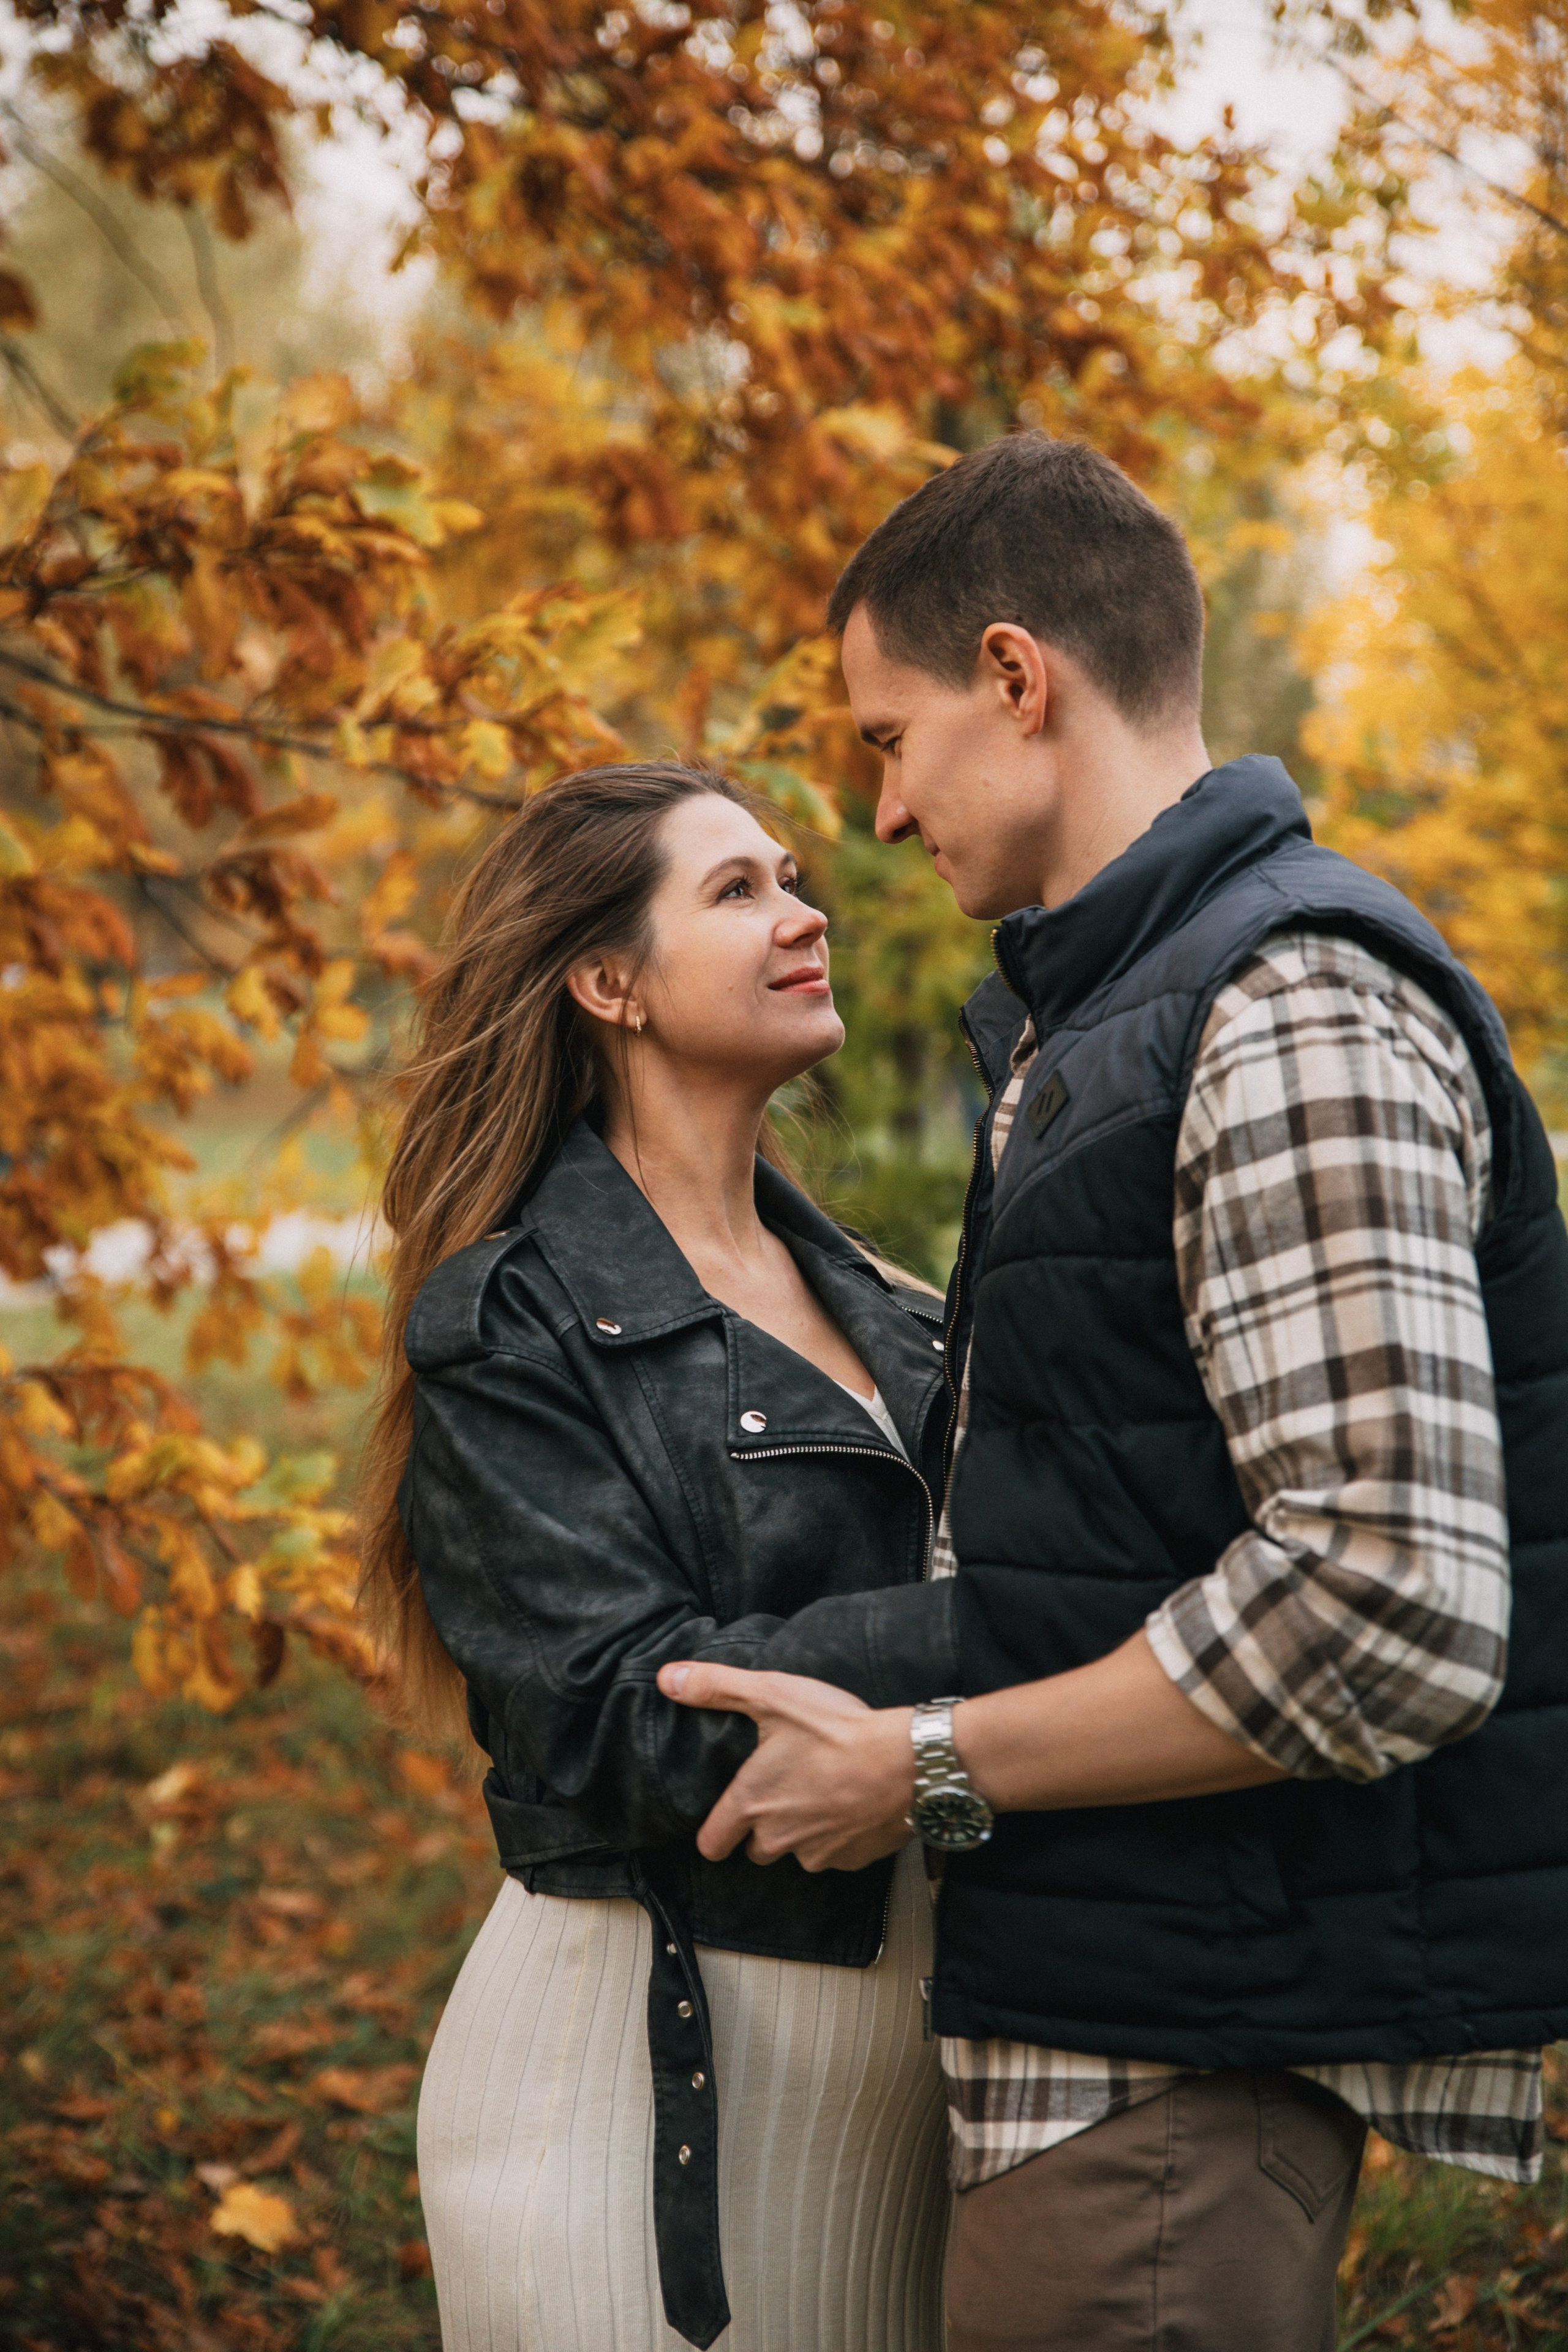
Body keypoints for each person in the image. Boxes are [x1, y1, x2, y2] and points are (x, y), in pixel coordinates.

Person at [659, 432, 1568, 2352]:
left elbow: (1391, 1603)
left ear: (1016, 677)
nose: (883, 815)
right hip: (1120, 2034)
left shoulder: (1286, 1005)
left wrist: (917, 1769)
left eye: (887, 738)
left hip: (1170, 2078)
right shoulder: (1131, 1014)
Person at [357, 762, 968, 2352]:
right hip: (630, 2092)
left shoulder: (888, 1306)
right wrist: (1004, 1635)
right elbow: (633, 1723)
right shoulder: (511, 1322)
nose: (806, 910)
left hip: (902, 2089)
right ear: (608, 982)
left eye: (792, 875)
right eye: (739, 890)